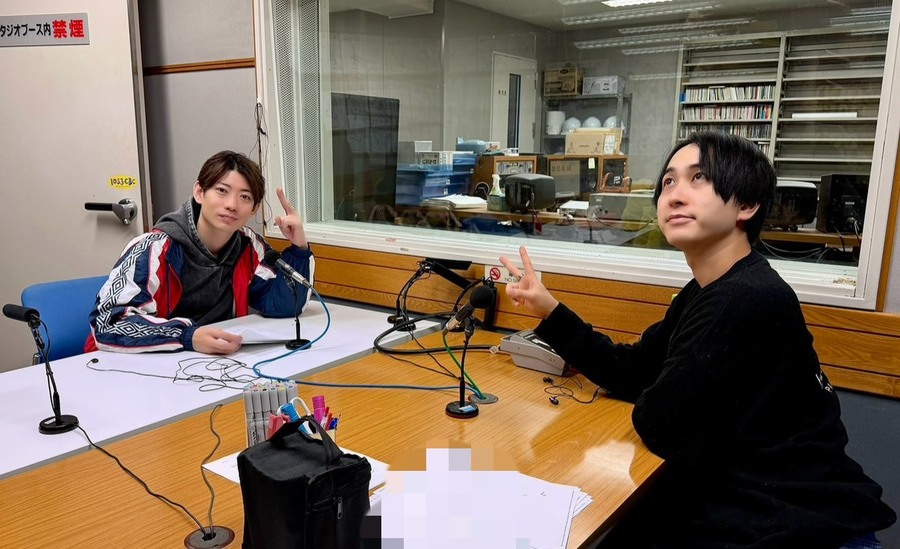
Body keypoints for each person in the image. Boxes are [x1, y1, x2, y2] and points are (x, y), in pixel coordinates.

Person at [500, 131, 895, 548]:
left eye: (698, 178)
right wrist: (548, 309)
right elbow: (630, 370)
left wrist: (657, 389)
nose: (674, 195)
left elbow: (660, 423)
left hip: (798, 524)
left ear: (746, 204)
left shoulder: (744, 298)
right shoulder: (711, 289)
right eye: (668, 181)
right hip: (755, 507)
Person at [86, 150, 314, 355]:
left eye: (245, 197)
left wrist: (299, 248)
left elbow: (285, 305)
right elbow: (108, 323)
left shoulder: (248, 246)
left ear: (254, 208)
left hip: (208, 363)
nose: (232, 205)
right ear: (199, 192)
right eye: (222, 191)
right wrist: (186, 336)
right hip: (129, 365)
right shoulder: (153, 248)